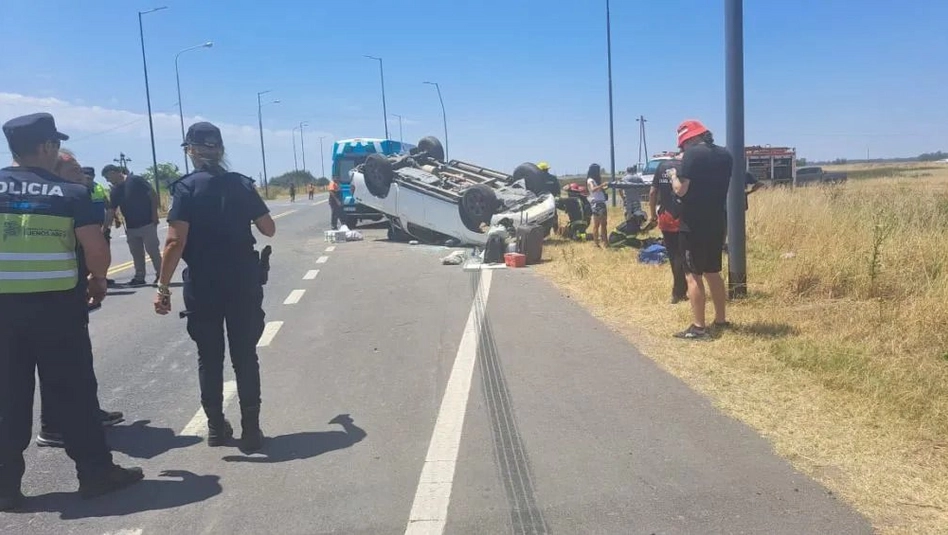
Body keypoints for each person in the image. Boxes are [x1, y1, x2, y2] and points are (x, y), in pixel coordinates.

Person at [0, 113, 143, 511]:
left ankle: (5, 486)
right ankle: (96, 474)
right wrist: (98, 281)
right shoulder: (71, 194)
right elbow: (96, 253)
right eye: (55, 144)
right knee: (74, 394)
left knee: (6, 398)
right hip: (57, 310)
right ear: (45, 147)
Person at [154, 122, 276, 453]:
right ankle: (251, 431)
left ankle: (215, 429)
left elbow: (175, 241)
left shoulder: (184, 188)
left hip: (204, 284)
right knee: (245, 356)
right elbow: (269, 229)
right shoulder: (242, 185)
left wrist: (162, 287)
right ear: (221, 150)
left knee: (209, 358)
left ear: (190, 151)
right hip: (242, 281)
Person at [31, 151, 125, 448]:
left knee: (68, 362)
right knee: (68, 364)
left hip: (64, 292)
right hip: (57, 297)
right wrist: (97, 278)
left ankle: (73, 419)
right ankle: (63, 426)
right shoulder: (60, 201)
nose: (82, 178)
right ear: (54, 171)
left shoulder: (65, 199)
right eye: (74, 173)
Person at [668, 119, 733, 340]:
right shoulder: (725, 155)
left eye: (683, 144)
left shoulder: (692, 155)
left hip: (693, 222)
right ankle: (721, 319)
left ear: (691, 139)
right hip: (717, 220)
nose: (683, 148)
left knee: (692, 275)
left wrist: (673, 177)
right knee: (713, 272)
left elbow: (681, 191)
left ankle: (698, 327)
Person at [103, 164, 161, 286]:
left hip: (147, 222)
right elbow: (111, 210)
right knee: (136, 253)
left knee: (152, 251)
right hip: (131, 226)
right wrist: (105, 227)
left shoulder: (135, 180)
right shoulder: (115, 191)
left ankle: (161, 275)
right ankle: (139, 276)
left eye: (108, 177)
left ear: (114, 172)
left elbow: (153, 195)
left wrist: (155, 214)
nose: (108, 181)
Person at [647, 154, 688, 304]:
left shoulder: (661, 166)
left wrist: (652, 215)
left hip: (666, 216)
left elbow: (652, 192)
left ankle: (678, 291)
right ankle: (684, 289)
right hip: (685, 217)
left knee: (674, 255)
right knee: (687, 255)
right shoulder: (687, 165)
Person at [586, 163, 609, 247]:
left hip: (602, 203)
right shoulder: (590, 180)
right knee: (597, 224)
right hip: (596, 204)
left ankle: (605, 242)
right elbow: (593, 189)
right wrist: (602, 185)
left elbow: (599, 189)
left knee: (604, 224)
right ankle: (596, 243)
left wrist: (606, 186)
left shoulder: (596, 180)